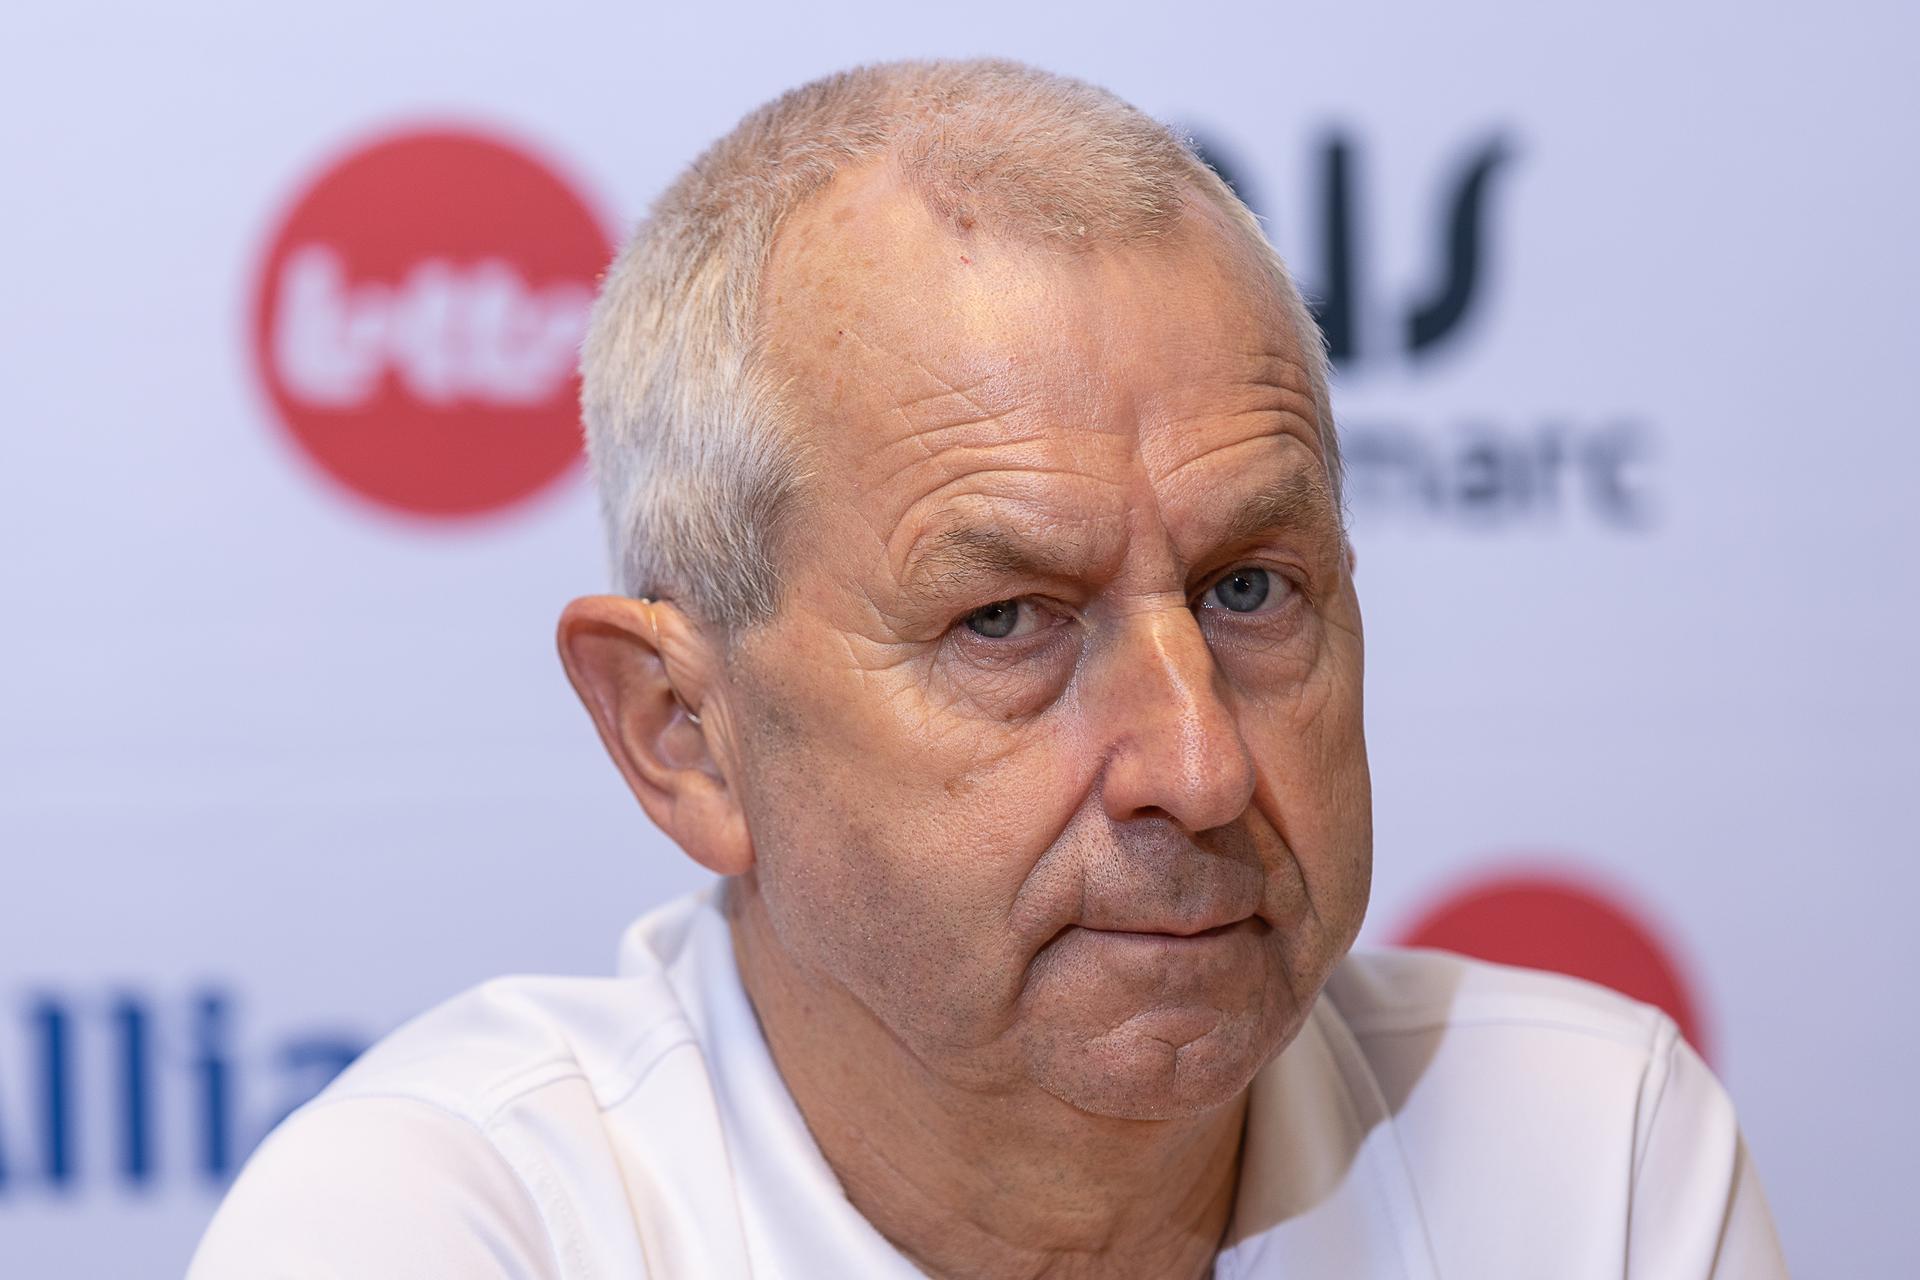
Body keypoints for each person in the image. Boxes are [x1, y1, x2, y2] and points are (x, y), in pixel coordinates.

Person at [190, 59, 1787, 1278]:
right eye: (1007, 622)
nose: (1201, 765)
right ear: (684, 734)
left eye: (1250, 589)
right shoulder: (443, 1225)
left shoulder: (1589, 1160)